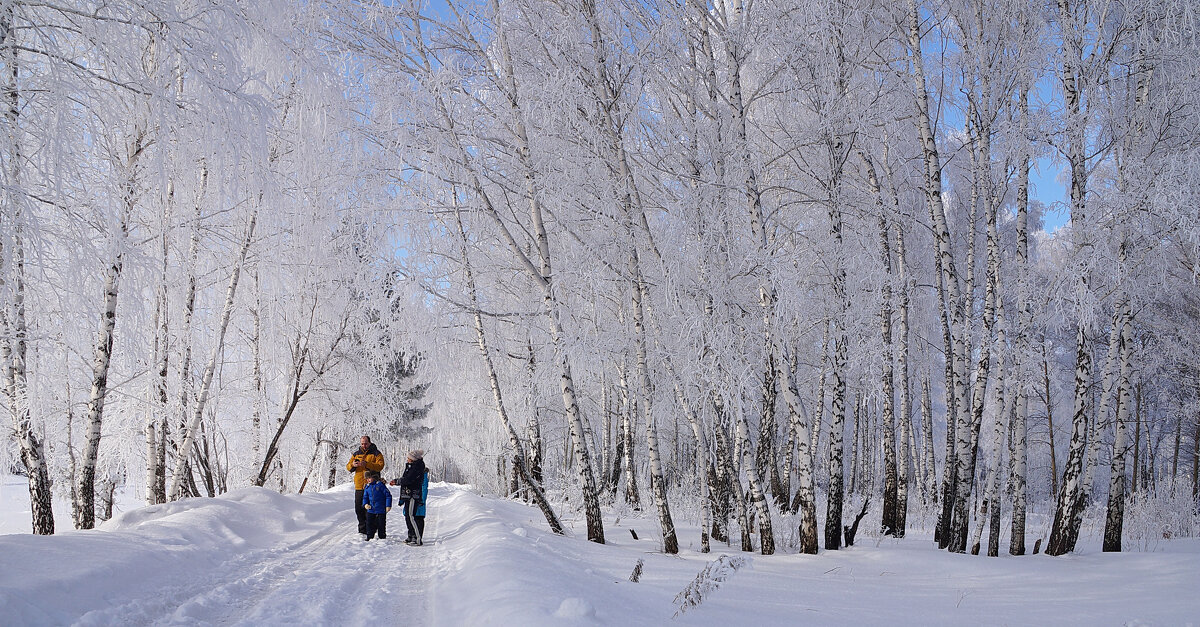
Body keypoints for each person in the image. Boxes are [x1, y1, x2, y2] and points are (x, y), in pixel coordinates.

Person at [346, 435, 385, 536]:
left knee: (370, 508)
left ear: (370, 443)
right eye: (362, 443)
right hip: (359, 485)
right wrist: (353, 465)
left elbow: (380, 466)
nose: (364, 445)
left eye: (366, 443)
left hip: (372, 486)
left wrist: (367, 464)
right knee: (359, 509)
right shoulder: (356, 454)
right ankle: (362, 530)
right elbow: (348, 466)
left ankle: (371, 529)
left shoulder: (376, 453)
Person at [398, 449, 427, 545]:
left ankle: (417, 538)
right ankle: (411, 535)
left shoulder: (416, 468)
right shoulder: (411, 467)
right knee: (408, 516)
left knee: (412, 516)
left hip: (412, 495)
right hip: (408, 494)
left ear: (413, 459)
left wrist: (398, 481)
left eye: (409, 458)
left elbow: (409, 480)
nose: (407, 459)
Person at [361, 470, 392, 541]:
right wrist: (365, 504)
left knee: (381, 523)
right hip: (371, 509)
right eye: (367, 478)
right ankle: (369, 536)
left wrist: (388, 505)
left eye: (369, 478)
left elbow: (388, 495)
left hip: (381, 509)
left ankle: (382, 536)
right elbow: (365, 497)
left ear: (374, 477)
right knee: (369, 523)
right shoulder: (367, 487)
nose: (368, 480)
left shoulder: (380, 485)